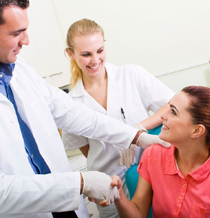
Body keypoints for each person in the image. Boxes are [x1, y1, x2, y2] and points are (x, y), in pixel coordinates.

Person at [0, 1, 170, 217]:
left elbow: (75, 114)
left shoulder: (19, 70)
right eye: (16, 33)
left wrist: (137, 136)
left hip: (68, 208)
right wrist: (81, 182)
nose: (27, 40)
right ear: (71, 54)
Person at [62, 19, 175, 218]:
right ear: (70, 54)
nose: (95, 60)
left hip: (151, 176)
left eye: (100, 50)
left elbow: (172, 105)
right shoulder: (71, 102)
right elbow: (87, 149)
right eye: (86, 54)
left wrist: (138, 130)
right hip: (109, 187)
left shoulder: (131, 75)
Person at [108, 86, 210, 218]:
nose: (163, 116)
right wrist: (118, 195)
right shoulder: (152, 155)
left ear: (197, 130)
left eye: (173, 112)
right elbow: (138, 213)